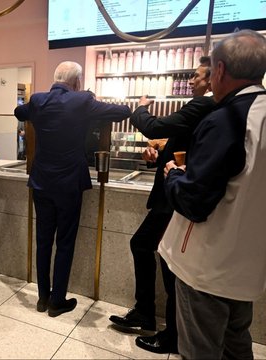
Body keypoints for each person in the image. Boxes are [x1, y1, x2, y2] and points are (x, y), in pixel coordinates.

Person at [158, 29, 266, 359]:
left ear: (218, 71)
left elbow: (194, 201)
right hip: (248, 265)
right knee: (236, 345)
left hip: (207, 268)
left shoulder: (225, 119)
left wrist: (174, 175)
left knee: (200, 350)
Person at [109, 57, 215, 354]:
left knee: (164, 261)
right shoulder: (207, 107)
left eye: (197, 76)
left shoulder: (204, 105)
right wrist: (160, 150)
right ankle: (150, 315)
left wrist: (140, 107)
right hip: (172, 197)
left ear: (212, 78)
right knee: (149, 250)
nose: (191, 81)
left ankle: (169, 331)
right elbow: (180, 141)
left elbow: (153, 126)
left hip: (174, 199)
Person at [14, 61, 131, 317]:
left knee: (43, 239)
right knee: (65, 242)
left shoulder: (37, 100)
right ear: (77, 82)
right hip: (69, 183)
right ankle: (57, 301)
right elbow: (122, 111)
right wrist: (92, 100)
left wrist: (36, 110)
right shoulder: (82, 101)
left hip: (42, 181)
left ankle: (43, 296)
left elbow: (18, 112)